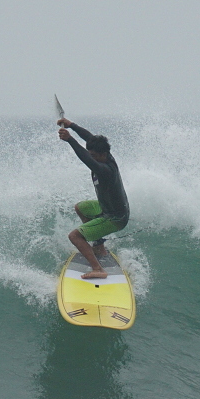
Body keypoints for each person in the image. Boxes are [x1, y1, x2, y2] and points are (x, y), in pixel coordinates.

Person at [57, 117, 129, 279]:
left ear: (103, 154)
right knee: (81, 207)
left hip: (115, 217)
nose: (92, 157)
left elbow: (86, 159)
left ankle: (98, 269)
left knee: (74, 236)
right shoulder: (105, 154)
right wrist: (72, 125)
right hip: (108, 207)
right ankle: (98, 246)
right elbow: (89, 138)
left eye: (95, 155)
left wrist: (70, 140)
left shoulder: (105, 170)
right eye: (92, 154)